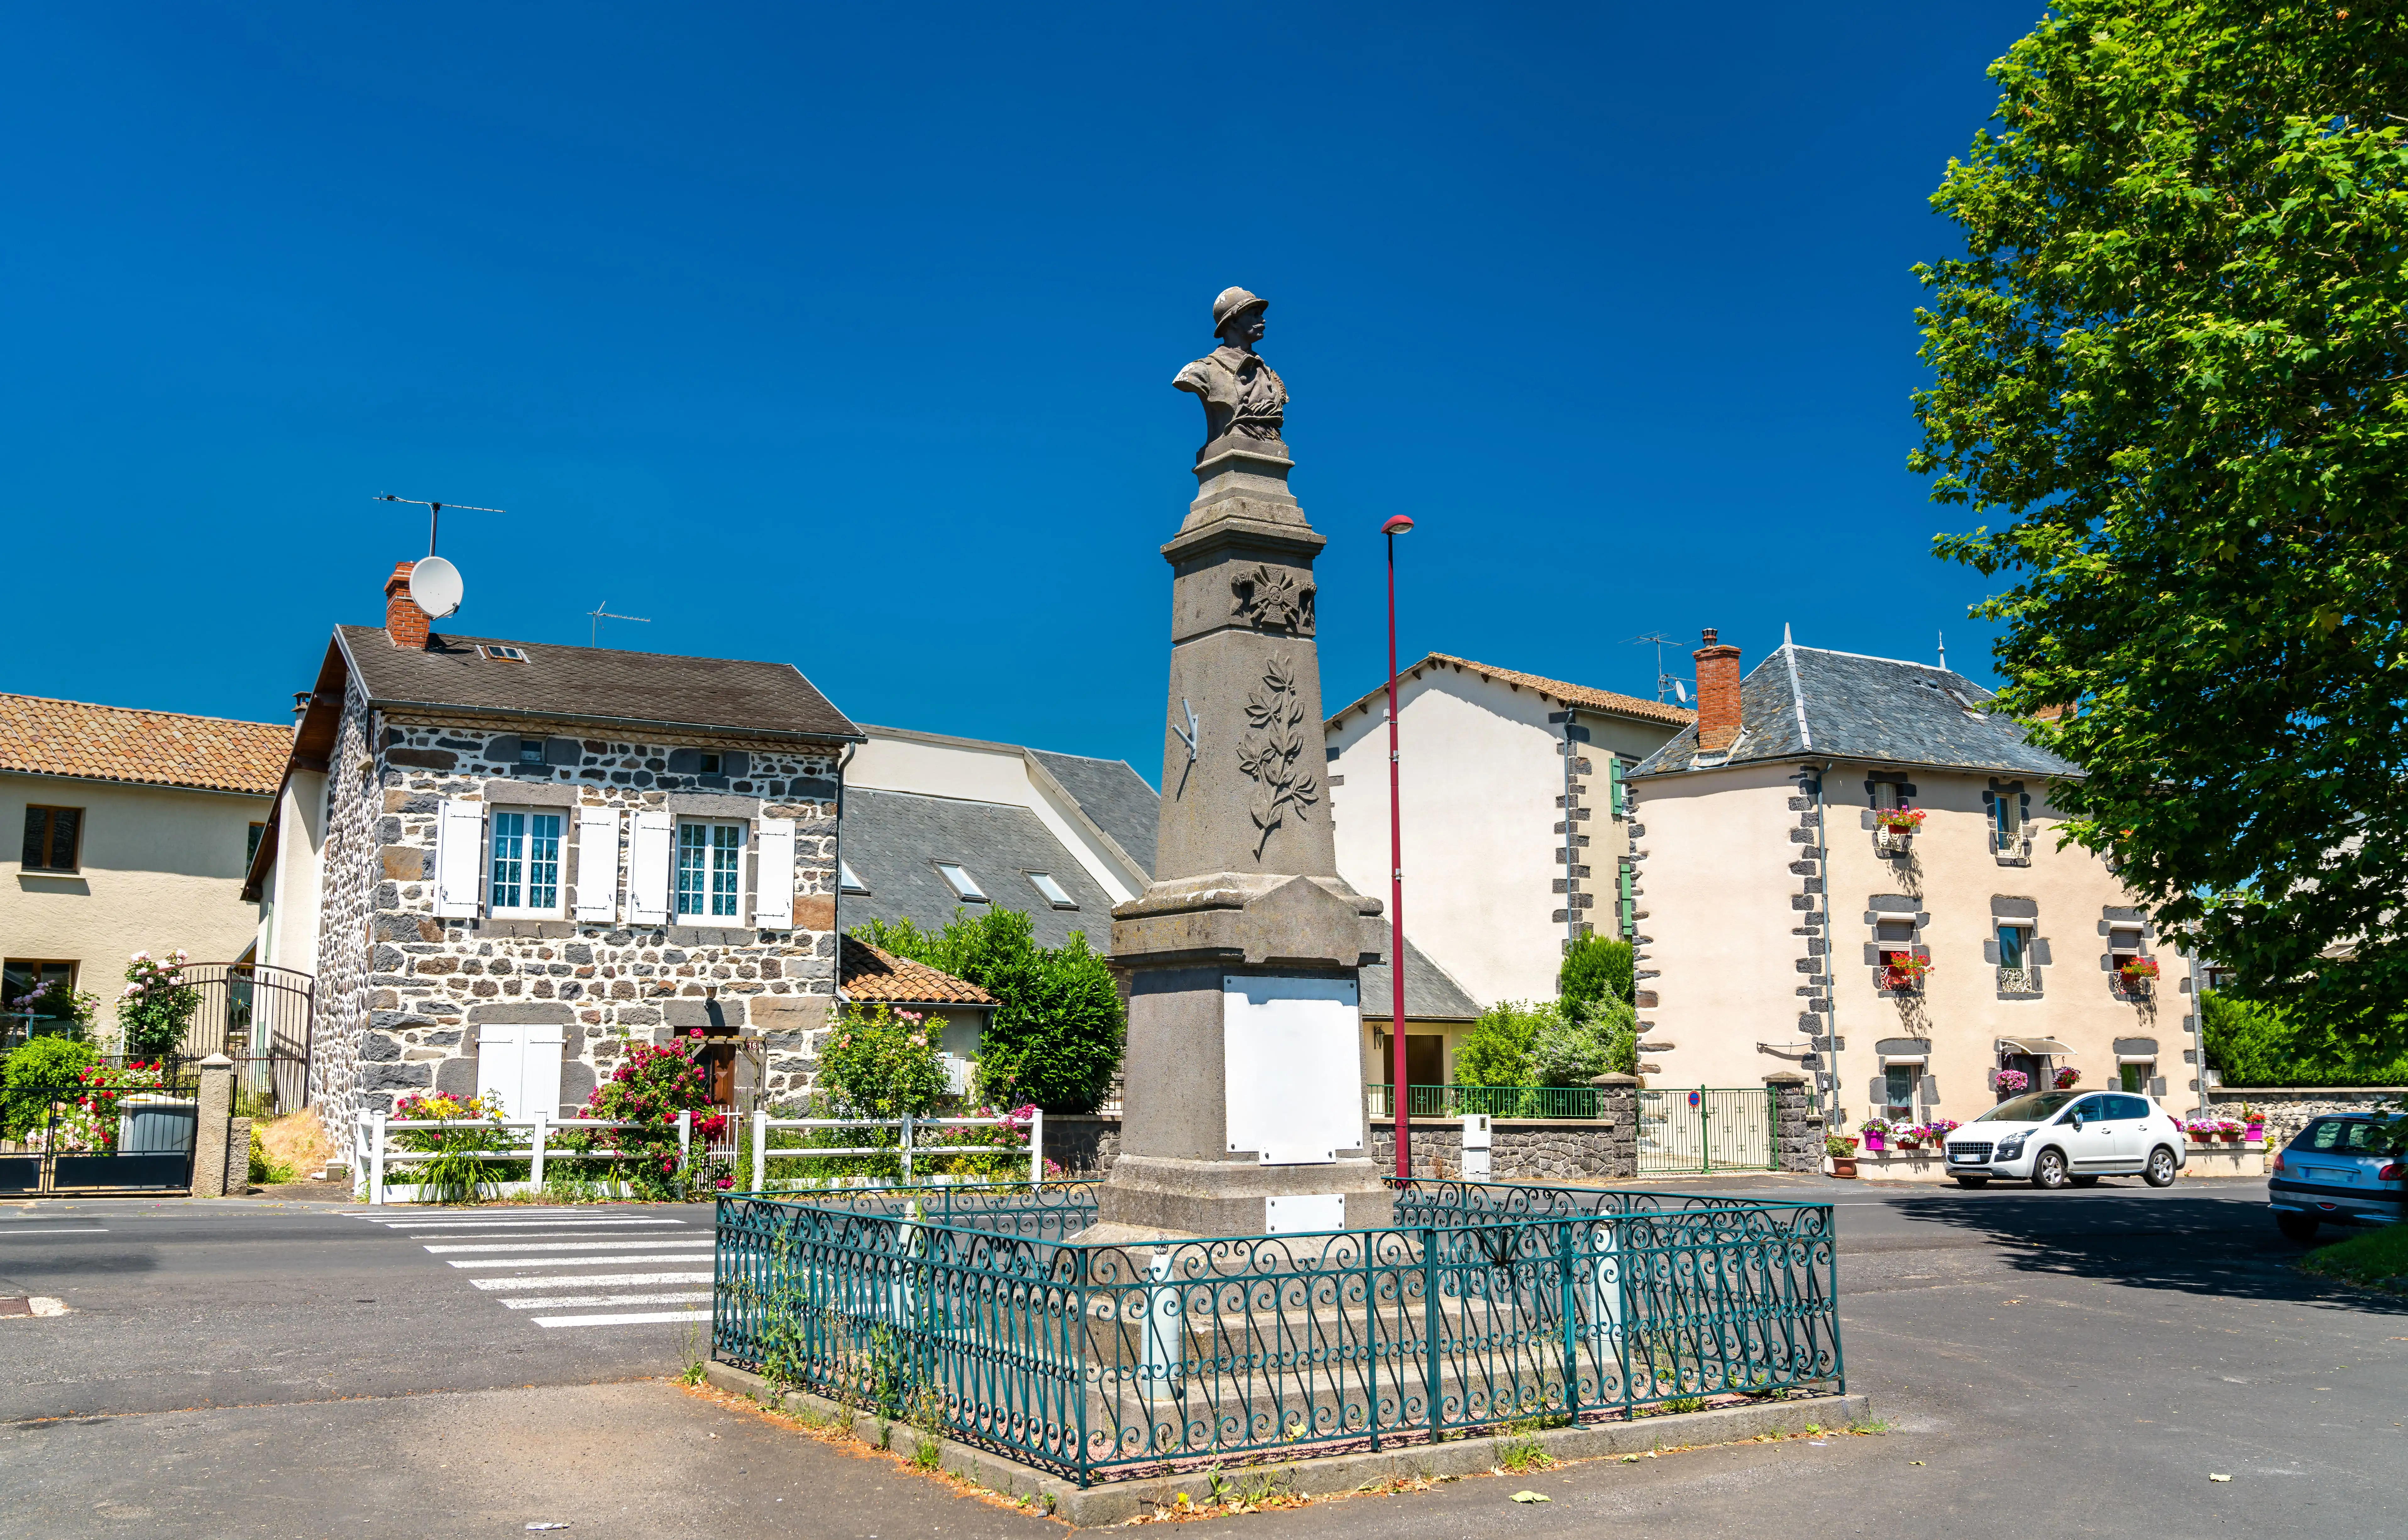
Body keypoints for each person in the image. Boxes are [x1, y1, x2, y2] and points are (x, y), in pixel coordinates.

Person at [1174, 286, 1286, 448]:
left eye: (1261, 314)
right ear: (1233, 321)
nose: (1262, 320)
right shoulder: (1202, 371)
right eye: (1254, 315)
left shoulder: (1271, 377)